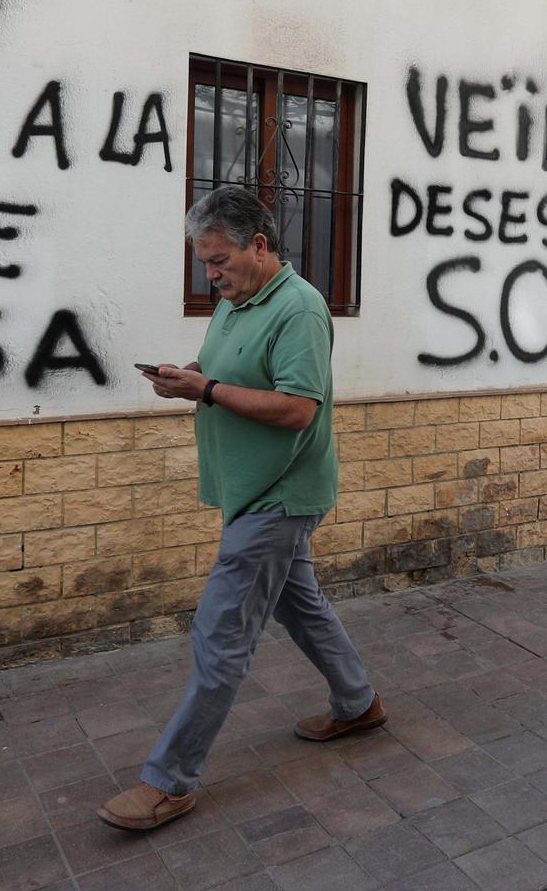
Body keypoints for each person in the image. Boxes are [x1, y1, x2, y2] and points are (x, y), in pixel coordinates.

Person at [98, 185, 385, 831]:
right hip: (249, 489)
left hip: (279, 494)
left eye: (219, 259)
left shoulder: (301, 310)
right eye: (204, 262)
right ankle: (358, 701)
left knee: (220, 633)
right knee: (300, 604)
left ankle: (169, 779)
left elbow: (297, 407)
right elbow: (222, 367)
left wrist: (210, 389)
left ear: (259, 244)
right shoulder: (236, 299)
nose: (211, 274)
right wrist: (189, 378)